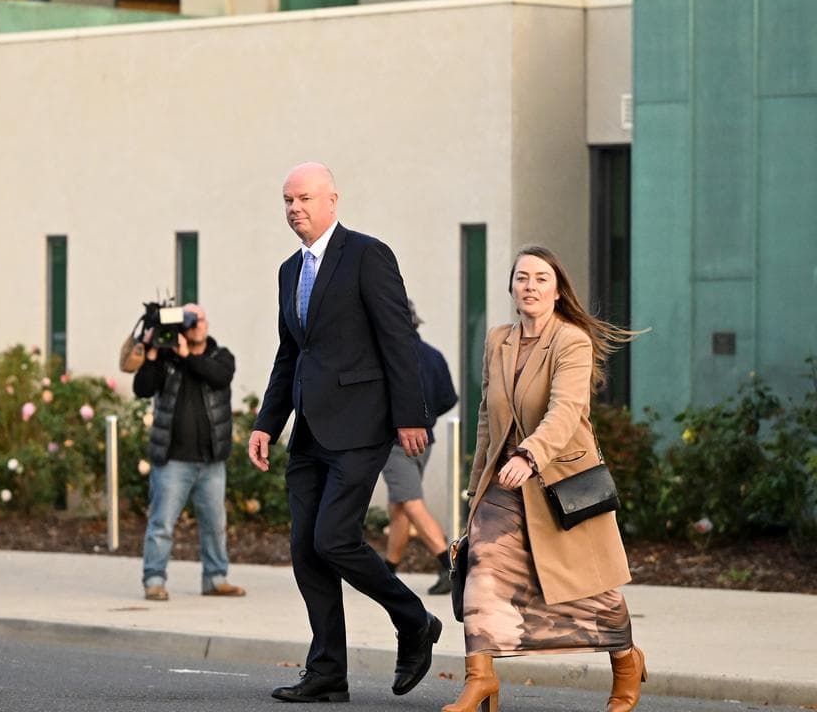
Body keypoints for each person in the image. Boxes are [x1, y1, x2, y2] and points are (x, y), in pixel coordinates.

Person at [248, 162, 441, 703]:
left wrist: (410, 415)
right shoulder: (290, 270)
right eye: (287, 201)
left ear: (332, 199)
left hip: (362, 425)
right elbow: (291, 353)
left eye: (304, 198)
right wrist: (268, 423)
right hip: (308, 430)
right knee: (306, 550)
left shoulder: (367, 254)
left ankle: (414, 621)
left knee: (334, 538)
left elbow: (397, 338)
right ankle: (328, 670)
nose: (295, 209)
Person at [445, 246, 645, 712]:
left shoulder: (571, 341)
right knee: (482, 571)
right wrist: (477, 487)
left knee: (592, 590)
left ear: (557, 291)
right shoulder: (498, 340)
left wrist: (530, 455)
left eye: (540, 278)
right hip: (504, 484)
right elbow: (485, 418)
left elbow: (565, 410)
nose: (530, 286)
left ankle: (626, 662)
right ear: (512, 289)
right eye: (522, 278)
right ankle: (481, 678)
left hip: (562, 485)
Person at [133, 303, 245, 601]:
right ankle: (154, 580)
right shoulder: (166, 357)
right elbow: (142, 388)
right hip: (172, 460)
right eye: (189, 320)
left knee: (215, 526)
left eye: (200, 320)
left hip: (211, 461)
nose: (196, 325)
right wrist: (153, 353)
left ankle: (215, 579)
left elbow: (219, 377)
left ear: (207, 325)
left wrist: (185, 357)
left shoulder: (221, 356)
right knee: (161, 525)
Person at [381, 299, 458, 595]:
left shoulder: (390, 356)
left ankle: (449, 565)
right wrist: (424, 420)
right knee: (399, 505)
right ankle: (388, 570)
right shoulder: (433, 355)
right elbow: (448, 398)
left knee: (411, 502)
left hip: (396, 442)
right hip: (426, 440)